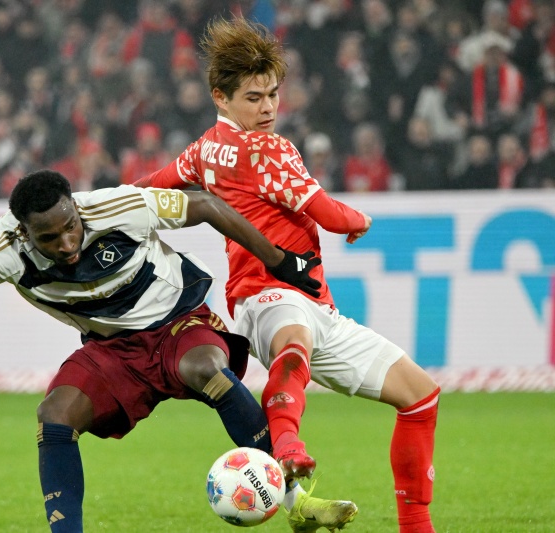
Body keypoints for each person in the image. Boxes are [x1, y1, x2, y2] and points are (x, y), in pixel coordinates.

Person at [0, 169, 341, 532]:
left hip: (179, 321)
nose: (66, 243)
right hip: (111, 350)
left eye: (71, 227)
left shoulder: (116, 206)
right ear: (25, 234)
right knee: (55, 414)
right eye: (50, 239)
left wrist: (278, 260)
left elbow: (204, 204)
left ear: (76, 208)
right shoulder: (3, 251)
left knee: (206, 367)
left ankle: (297, 504)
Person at [135, 18, 441, 533]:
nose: (268, 108)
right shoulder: (269, 148)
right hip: (268, 294)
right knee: (294, 339)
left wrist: (96, 207)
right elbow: (328, 213)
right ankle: (288, 447)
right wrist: (359, 220)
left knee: (420, 395)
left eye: (273, 94)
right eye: (254, 98)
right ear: (220, 97)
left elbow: (153, 186)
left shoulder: (204, 150)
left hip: (312, 304)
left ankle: (415, 527)